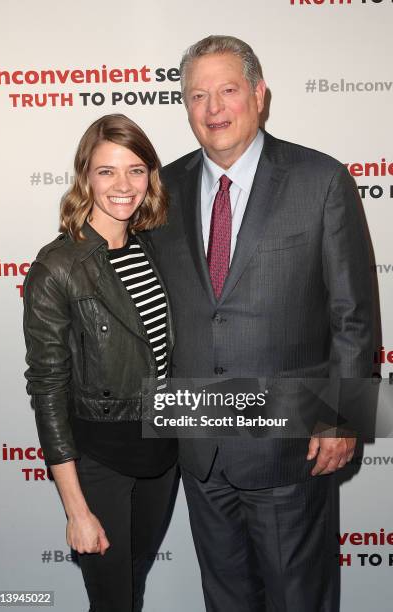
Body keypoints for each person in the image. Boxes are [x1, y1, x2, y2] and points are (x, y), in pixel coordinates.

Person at [150, 35, 374, 611]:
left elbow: (353, 312)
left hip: (290, 445)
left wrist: (341, 417)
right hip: (200, 446)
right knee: (225, 600)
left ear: (259, 94)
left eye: (227, 90)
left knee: (299, 599)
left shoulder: (320, 180)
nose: (213, 108)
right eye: (197, 95)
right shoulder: (162, 190)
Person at [23, 113, 178, 612]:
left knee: (132, 585)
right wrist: (76, 508)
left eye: (136, 170)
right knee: (111, 601)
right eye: (107, 171)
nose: (124, 185)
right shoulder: (57, 267)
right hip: (101, 461)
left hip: (162, 453)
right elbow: (47, 389)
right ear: (85, 175)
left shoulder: (154, 247)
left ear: (150, 176)